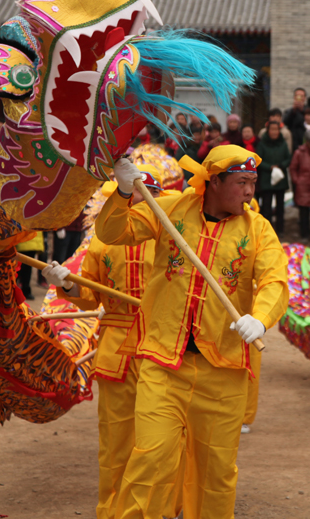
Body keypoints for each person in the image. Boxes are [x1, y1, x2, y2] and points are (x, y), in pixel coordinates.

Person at [98, 146, 289, 519]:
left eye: (253, 183)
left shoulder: (258, 230)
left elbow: (275, 280)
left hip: (224, 372)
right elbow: (111, 231)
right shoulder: (172, 209)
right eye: (242, 183)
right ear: (214, 181)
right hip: (162, 365)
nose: (250, 192)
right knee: (149, 463)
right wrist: (122, 194)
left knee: (216, 472)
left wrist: (261, 318)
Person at [41, 167, 170, 519]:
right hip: (117, 351)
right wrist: (67, 285)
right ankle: (113, 510)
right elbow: (88, 296)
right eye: (131, 195)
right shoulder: (102, 240)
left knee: (163, 438)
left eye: (149, 195)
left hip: (164, 346)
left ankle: (166, 506)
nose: (142, 202)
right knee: (115, 442)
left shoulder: (174, 239)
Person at [256, 121, 291, 235]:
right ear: (268, 130)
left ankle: (280, 230)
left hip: (280, 178)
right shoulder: (262, 143)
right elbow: (258, 160)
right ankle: (267, 231)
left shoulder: (283, 143)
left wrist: (281, 166)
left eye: (276, 129)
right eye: (272, 129)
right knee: (266, 207)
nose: (274, 132)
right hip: (267, 179)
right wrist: (270, 167)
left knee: (280, 207)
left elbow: (288, 158)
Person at [15, 231, 45, 300]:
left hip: (31, 241)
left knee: (25, 269)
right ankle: (22, 291)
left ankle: (23, 291)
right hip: (22, 240)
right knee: (19, 269)